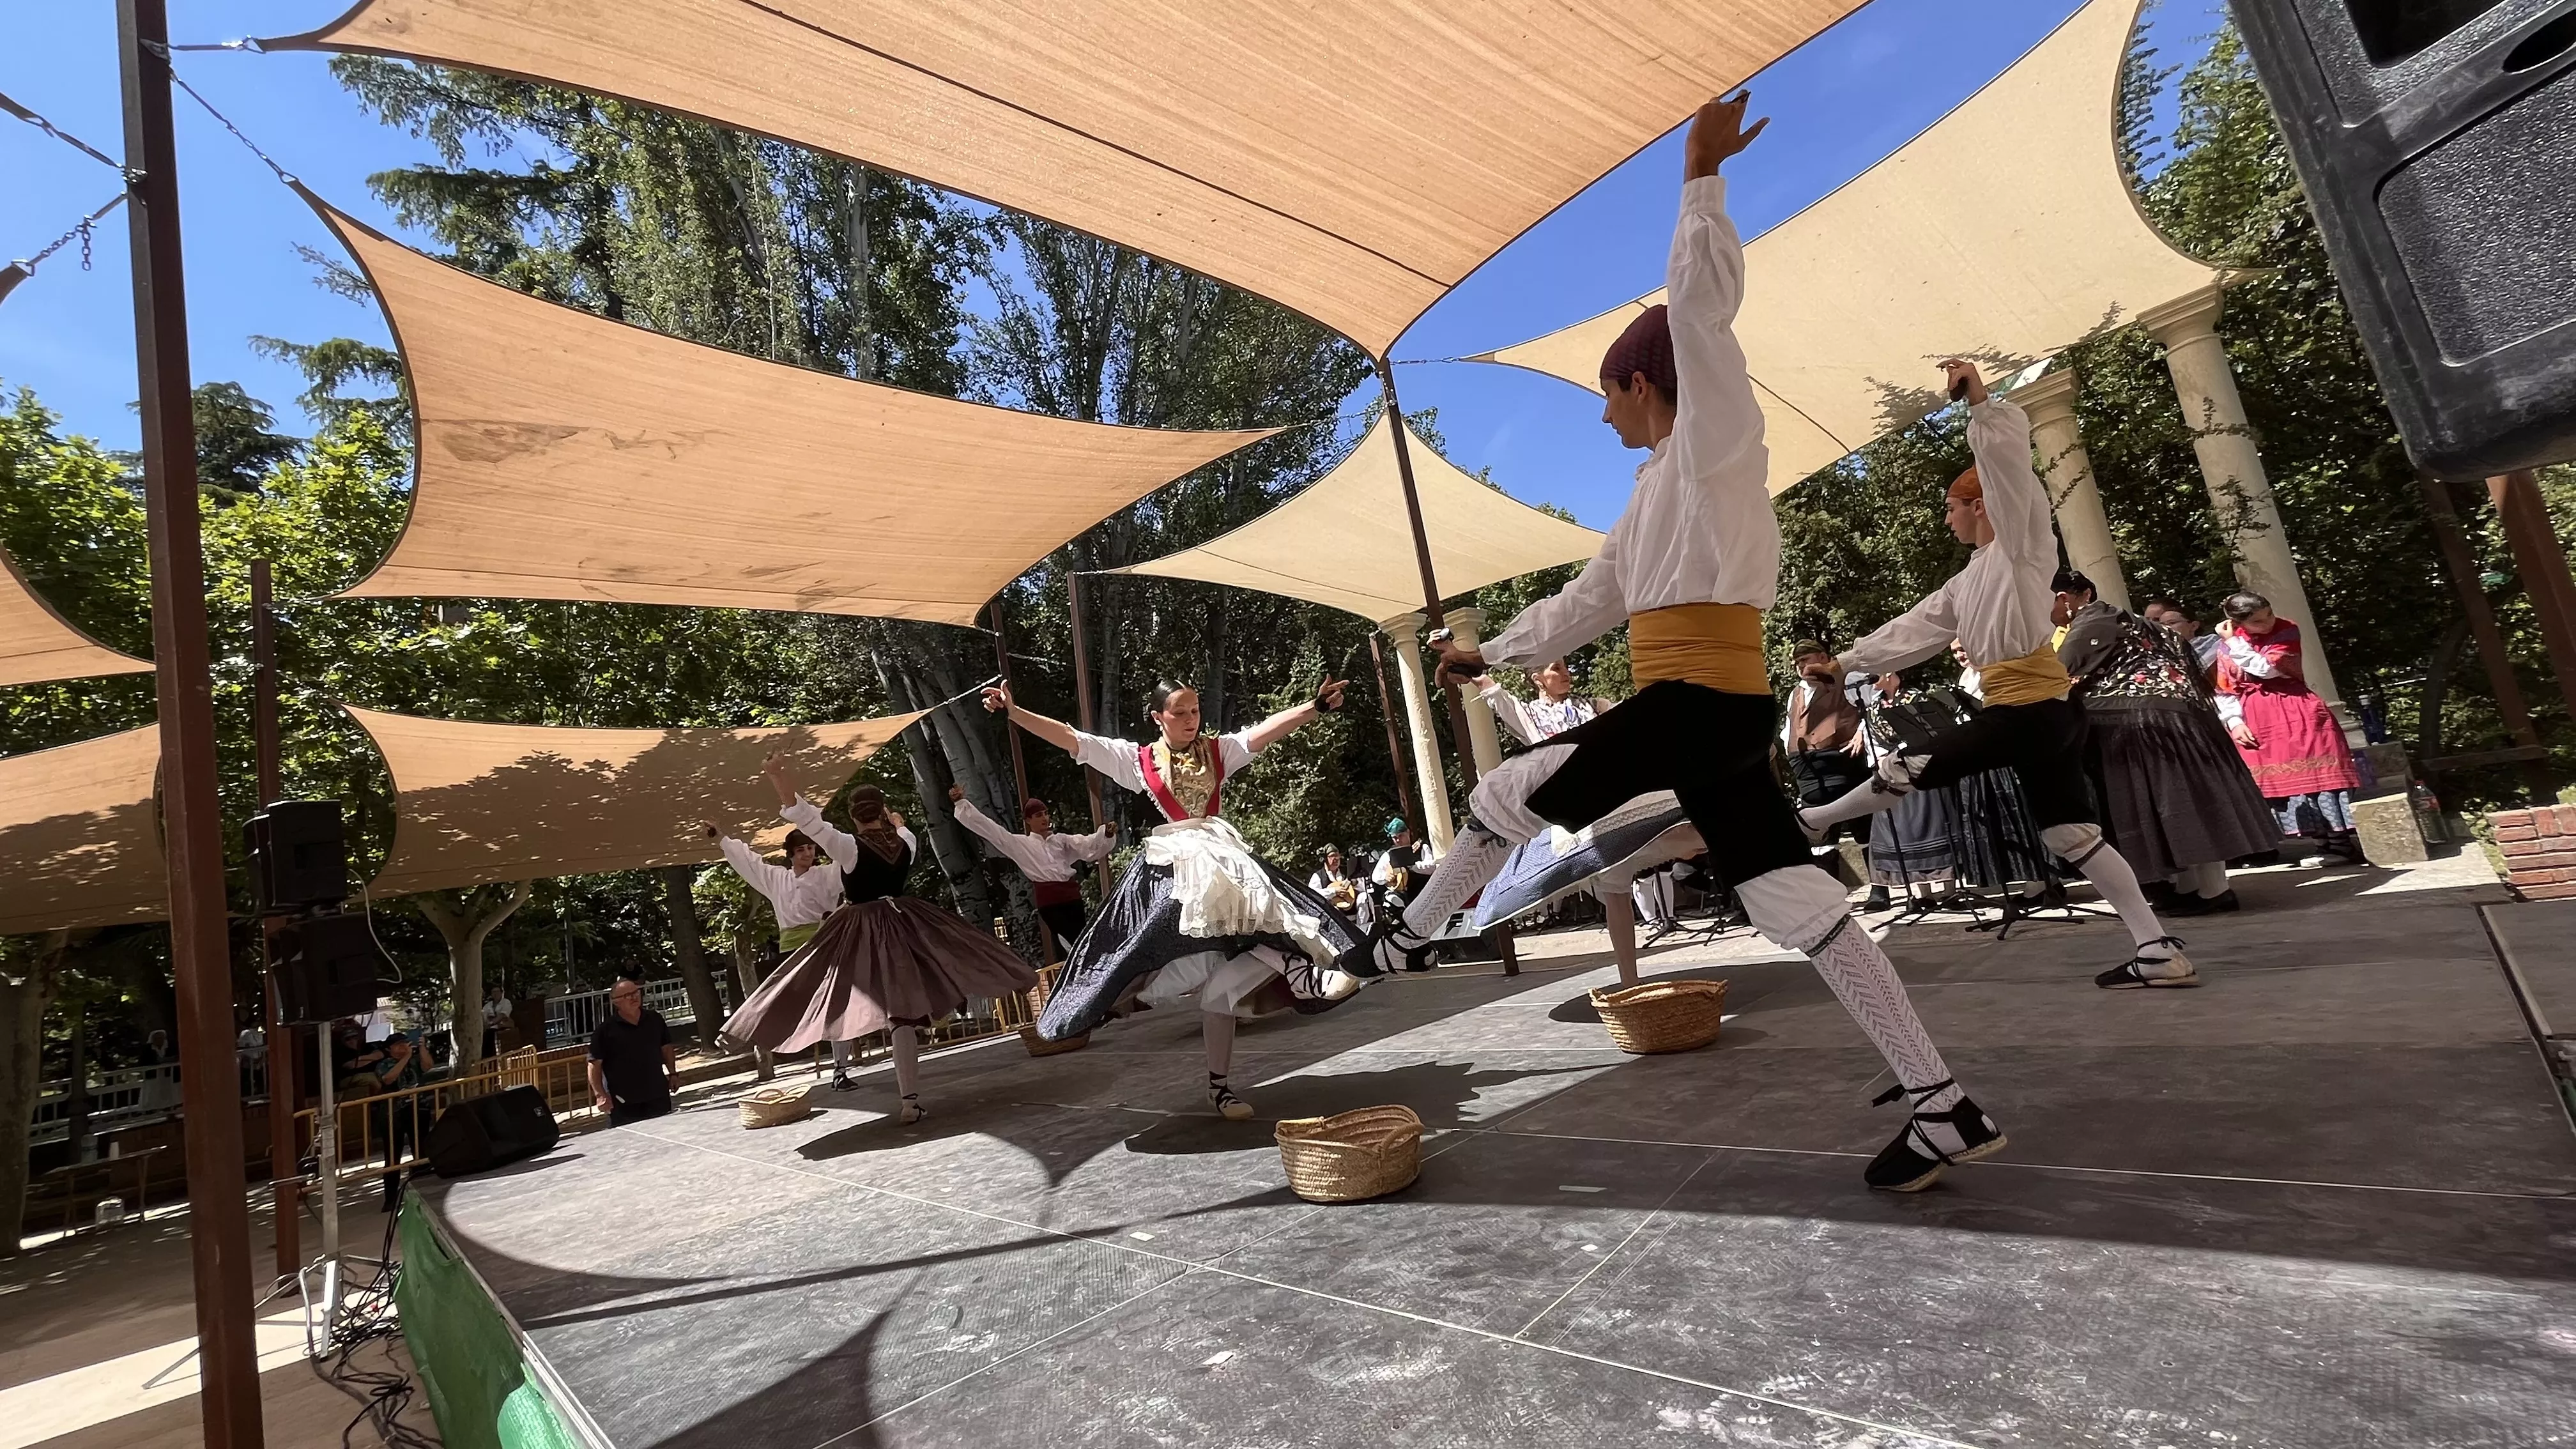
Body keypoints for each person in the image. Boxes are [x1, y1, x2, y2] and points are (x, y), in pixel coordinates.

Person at [1365, 95, 2002, 1192]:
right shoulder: (1654, 491)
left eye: (1606, 394)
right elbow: (1591, 599)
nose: (1601, 414)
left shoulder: (1713, 442)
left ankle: (1412, 937)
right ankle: (1941, 1100)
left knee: (1507, 792)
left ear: (1640, 383)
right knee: (1796, 902)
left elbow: (1698, 316)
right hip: (1711, 716)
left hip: (1697, 706)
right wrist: (1489, 654)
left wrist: (1699, 179)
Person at [1797, 360, 2196, 991]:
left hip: (2030, 712)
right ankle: (2156, 950)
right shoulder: (1969, 580)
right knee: (2070, 834)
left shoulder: (2023, 547)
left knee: (1907, 766)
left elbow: (2012, 478)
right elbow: (1917, 627)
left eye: (1951, 508)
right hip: (2040, 713)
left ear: (1979, 506)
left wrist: (1982, 407)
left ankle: (1814, 820)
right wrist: (1844, 663)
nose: (1946, 520)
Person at [985, 675, 1366, 1122]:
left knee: (1243, 949)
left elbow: (1264, 732)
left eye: (1195, 711)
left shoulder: (1218, 751)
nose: (1190, 720)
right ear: (1157, 718)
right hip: (1176, 862)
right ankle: (1127, 996)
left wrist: (1313, 708)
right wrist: (1015, 713)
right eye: (1179, 712)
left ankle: (1288, 988)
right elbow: (1074, 739)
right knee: (1157, 932)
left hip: (1221, 854)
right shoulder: (1138, 760)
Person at [719, 767, 1036, 1126]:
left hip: (862, 931)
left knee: (818, 985)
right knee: (903, 1013)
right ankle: (909, 1100)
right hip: (905, 924)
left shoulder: (849, 846)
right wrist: (898, 824)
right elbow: (904, 835)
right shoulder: (905, 843)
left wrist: (780, 778)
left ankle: (774, 1035)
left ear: (854, 816)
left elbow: (810, 822)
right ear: (882, 811)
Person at [2055, 570, 2278, 913]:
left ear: (2067, 598)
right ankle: (2196, 888)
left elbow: (2056, 681)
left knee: (2172, 806)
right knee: (2189, 804)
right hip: (2188, 722)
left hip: (2143, 728)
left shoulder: (2090, 624)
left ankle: (2214, 892)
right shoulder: (2141, 623)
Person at [1478, 663, 1708, 954]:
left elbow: (1633, 717)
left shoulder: (1592, 706)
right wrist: (1477, 673)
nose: (1566, 673)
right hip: (1580, 808)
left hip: (1613, 794)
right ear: (1538, 679)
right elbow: (1499, 698)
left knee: (1692, 824)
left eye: (1566, 666)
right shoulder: (1530, 715)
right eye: (1556, 668)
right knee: (1616, 889)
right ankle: (1629, 975)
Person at [706, 765, 864, 1084]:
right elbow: (749, 862)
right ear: (790, 854)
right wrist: (722, 838)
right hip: (792, 948)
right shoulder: (777, 879)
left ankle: (840, 1069)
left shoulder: (828, 874)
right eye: (801, 849)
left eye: (811, 848)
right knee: (782, 999)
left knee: (836, 1003)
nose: (808, 853)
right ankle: (741, 1033)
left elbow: (849, 858)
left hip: (824, 942)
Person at [2214, 591, 2363, 866]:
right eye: (2258, 621)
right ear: (2237, 622)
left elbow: (2267, 669)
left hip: (2297, 710)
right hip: (2257, 717)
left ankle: (2341, 845)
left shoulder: (2285, 630)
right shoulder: (2226, 646)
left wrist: (2234, 642)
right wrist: (2235, 722)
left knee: (2318, 776)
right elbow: (2224, 688)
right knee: (2290, 785)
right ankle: (2322, 845)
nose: (2268, 623)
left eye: (2269, 615)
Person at [949, 784, 1116, 958]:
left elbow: (1086, 844)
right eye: (1038, 815)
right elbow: (992, 831)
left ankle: (1092, 966)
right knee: (1071, 945)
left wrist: (1106, 835)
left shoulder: (1061, 841)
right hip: (1050, 903)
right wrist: (961, 803)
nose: (1044, 818)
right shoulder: (1022, 844)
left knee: (1083, 940)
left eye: (1045, 813)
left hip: (1072, 897)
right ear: (1028, 820)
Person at [588, 979, 679, 1126]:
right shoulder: (605, 1031)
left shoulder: (655, 1019)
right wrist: (600, 1095)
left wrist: (673, 1074)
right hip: (624, 1101)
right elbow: (594, 1065)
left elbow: (666, 1048)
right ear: (616, 1002)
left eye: (636, 992)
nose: (634, 997)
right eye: (627, 995)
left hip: (657, 1094)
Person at [2143, 596, 2224, 681]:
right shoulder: (2155, 656)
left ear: (2194, 626)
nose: (2165, 628)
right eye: (2162, 624)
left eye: (2171, 623)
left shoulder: (2218, 647)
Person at [1309, 845, 1362, 922]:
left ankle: (1362, 927)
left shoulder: (1346, 873)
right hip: (1331, 912)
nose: (1336, 859)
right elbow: (1312, 894)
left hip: (1350, 908)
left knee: (1364, 897)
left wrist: (1355, 885)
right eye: (1332, 856)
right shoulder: (1318, 876)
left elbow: (1361, 888)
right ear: (1325, 858)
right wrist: (1334, 891)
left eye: (1338, 856)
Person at [480, 985, 512, 1060]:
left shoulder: (506, 1002)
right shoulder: (488, 1005)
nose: (496, 994)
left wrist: (492, 1023)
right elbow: (483, 1016)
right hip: (489, 1027)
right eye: (494, 992)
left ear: (501, 993)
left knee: (490, 1035)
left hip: (502, 1026)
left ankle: (491, 1058)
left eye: (497, 992)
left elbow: (503, 1015)